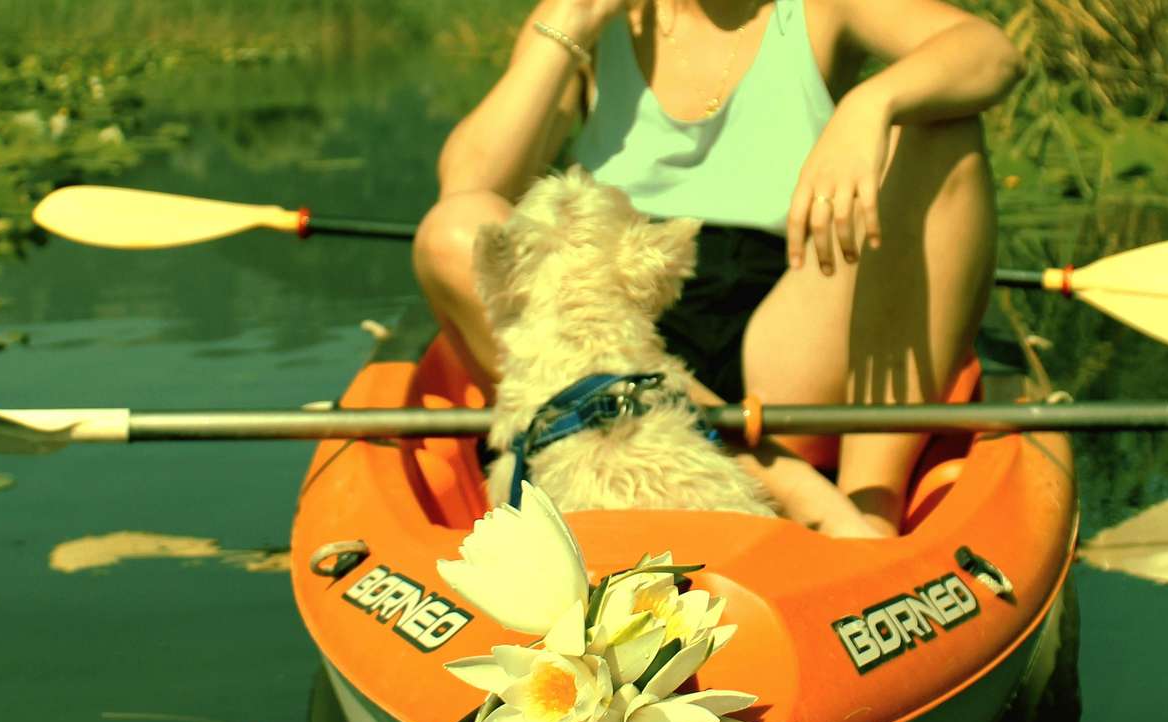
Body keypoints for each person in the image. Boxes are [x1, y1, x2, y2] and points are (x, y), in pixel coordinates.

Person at [412, 0, 1023, 538]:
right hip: (610, 338)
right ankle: (795, 492)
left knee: (946, 136)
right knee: (453, 234)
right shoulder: (594, 20)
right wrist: (574, 17)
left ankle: (871, 513)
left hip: (788, 336)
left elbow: (990, 53)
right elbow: (468, 185)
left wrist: (870, 105)